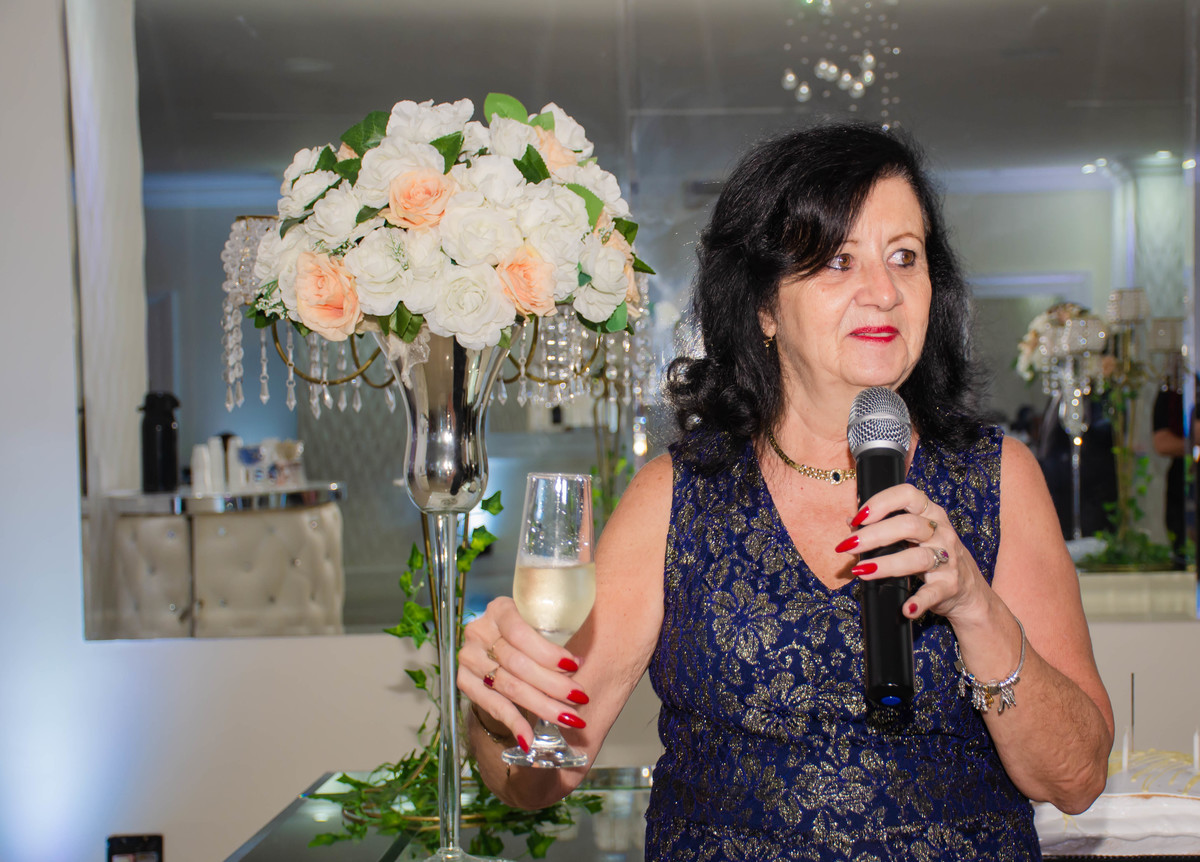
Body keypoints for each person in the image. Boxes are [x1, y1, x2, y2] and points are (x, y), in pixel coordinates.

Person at [458, 122, 1114, 860]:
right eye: (838, 261)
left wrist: (976, 608)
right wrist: (500, 707)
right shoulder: (678, 496)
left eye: (905, 257)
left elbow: (1078, 780)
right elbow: (540, 778)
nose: (884, 292)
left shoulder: (998, 477)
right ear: (764, 306)